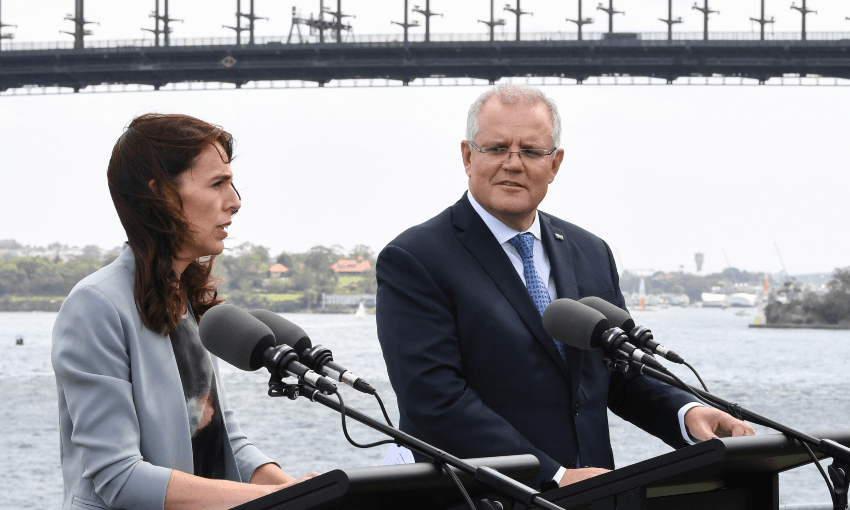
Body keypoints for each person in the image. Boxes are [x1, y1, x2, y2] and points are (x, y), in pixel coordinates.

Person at [375, 85, 754, 491]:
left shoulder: (589, 251)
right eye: (497, 148)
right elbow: (435, 400)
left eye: (531, 151)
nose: (513, 164)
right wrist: (553, 476)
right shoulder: (415, 259)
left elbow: (619, 373)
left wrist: (686, 412)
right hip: (478, 497)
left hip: (592, 493)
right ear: (469, 157)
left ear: (555, 164)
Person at [52, 113, 316, 510]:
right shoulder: (95, 305)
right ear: (160, 196)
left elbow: (226, 441)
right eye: (217, 184)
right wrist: (274, 497)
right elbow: (119, 476)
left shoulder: (188, 301)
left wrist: (303, 493)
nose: (235, 202)